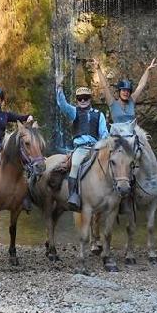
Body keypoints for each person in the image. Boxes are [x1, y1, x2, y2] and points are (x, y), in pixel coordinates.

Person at [91, 58, 157, 186]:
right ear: (119, 92)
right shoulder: (112, 103)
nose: (126, 92)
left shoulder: (132, 100)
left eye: (128, 91)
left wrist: (147, 70)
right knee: (105, 154)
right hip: (117, 137)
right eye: (123, 90)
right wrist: (98, 69)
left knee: (150, 151)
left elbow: (141, 85)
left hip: (132, 135)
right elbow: (104, 86)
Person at [55, 75, 109, 212]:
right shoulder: (74, 112)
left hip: (96, 146)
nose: (83, 100)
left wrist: (104, 144)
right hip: (80, 148)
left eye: (86, 98)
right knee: (75, 163)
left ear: (90, 99)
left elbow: (104, 133)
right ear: (77, 101)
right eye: (80, 99)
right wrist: (59, 87)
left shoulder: (99, 114)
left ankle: (114, 193)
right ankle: (73, 195)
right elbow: (63, 105)